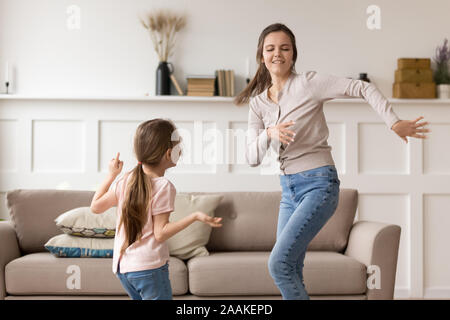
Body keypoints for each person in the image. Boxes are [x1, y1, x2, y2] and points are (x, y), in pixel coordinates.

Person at [234, 23, 430, 300]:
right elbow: (251, 159)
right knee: (290, 265)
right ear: (261, 55)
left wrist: (393, 121)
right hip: (288, 191)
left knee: (278, 263)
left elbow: (362, 88)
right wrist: (269, 133)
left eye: (284, 48)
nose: (277, 53)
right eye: (270, 48)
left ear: (293, 54)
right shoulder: (257, 104)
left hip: (319, 184)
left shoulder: (309, 84)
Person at [89, 119, 223, 300]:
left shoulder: (124, 180)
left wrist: (111, 175)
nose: (181, 151)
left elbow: (95, 207)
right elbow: (160, 233)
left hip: (123, 268)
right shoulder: (163, 186)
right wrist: (194, 217)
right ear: (169, 153)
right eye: (178, 147)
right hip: (148, 268)